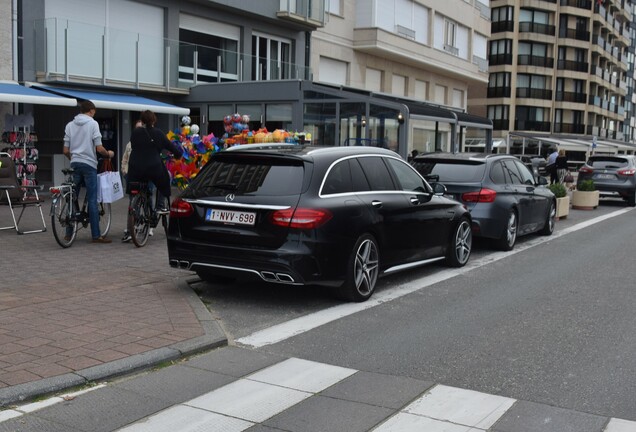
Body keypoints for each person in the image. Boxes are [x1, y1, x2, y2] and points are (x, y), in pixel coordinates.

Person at [63, 100, 114, 244]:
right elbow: (99, 148)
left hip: (74, 164)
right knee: (92, 199)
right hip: (89, 165)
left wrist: (74, 158)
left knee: (72, 197)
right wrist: (108, 154)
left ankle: (68, 233)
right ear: (91, 111)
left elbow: (65, 150)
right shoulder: (93, 124)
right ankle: (96, 235)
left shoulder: (69, 125)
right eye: (94, 112)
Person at [127, 110, 183, 214]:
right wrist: (178, 155)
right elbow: (171, 146)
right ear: (153, 120)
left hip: (135, 167)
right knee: (166, 179)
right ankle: (160, 206)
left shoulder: (135, 132)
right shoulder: (158, 133)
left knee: (134, 188)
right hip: (153, 167)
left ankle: (134, 211)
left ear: (142, 120)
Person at [120, 119, 155, 242]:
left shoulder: (150, 142)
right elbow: (124, 158)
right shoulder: (130, 144)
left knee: (148, 197)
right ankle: (131, 228)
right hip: (132, 175)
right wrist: (124, 170)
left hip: (147, 175)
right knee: (132, 202)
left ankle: (149, 223)